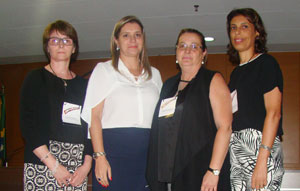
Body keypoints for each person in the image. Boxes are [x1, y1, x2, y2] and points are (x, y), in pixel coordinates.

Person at [81, 15, 162, 191]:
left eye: (137, 35)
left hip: (148, 154)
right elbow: (94, 117)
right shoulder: (104, 70)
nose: (132, 40)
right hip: (113, 153)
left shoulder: (155, 74)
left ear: (143, 39)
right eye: (126, 35)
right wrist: (99, 157)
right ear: (116, 41)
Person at [146, 28, 232, 191]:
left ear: (203, 53)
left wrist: (213, 171)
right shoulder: (168, 85)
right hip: (170, 175)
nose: (187, 50)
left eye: (194, 46)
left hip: (201, 172)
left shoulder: (212, 79)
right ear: (176, 51)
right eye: (182, 45)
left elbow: (225, 127)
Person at [20, 20, 92, 191]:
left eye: (66, 40)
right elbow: (28, 126)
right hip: (42, 162)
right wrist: (54, 165)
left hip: (77, 168)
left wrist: (86, 165)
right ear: (47, 47)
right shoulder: (35, 78)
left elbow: (91, 126)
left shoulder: (84, 85)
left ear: (74, 48)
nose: (61, 44)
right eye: (54, 40)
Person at [226, 8, 285, 190]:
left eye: (244, 26)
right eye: (233, 27)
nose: (237, 31)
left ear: (256, 32)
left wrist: (262, 160)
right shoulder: (236, 74)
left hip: (259, 147)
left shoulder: (266, 63)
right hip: (237, 149)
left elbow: (274, 113)